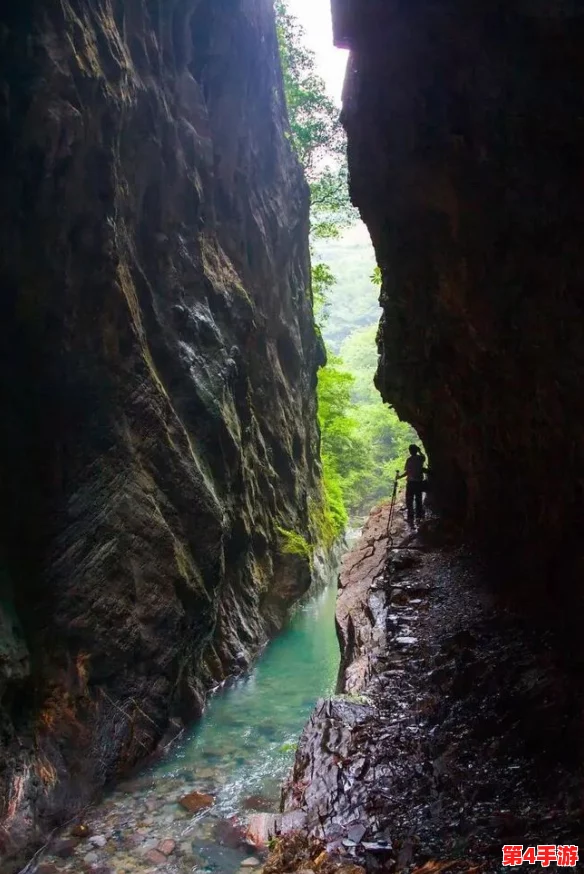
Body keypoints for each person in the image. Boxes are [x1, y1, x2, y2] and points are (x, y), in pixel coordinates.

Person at [398, 444, 427, 527]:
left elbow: (407, 472)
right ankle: (419, 517)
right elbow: (424, 457)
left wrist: (399, 477)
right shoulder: (420, 458)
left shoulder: (409, 460)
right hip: (419, 483)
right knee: (418, 499)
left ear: (410, 451)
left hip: (411, 483)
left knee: (409, 500)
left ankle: (410, 518)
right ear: (416, 450)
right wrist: (420, 451)